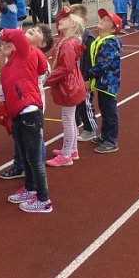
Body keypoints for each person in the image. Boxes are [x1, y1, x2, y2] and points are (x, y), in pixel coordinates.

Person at [0, 26, 52, 213]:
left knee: (34, 158)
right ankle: (30, 188)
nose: (30, 30)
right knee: (25, 154)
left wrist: (3, 33)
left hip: (29, 110)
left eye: (35, 31)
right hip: (18, 112)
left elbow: (17, 35)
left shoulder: (28, 51)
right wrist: (7, 54)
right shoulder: (15, 58)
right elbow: (7, 80)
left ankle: (44, 199)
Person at [47, 14, 86, 167]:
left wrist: (47, 79)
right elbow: (59, 21)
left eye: (65, 20)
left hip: (68, 86)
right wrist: (64, 13)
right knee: (69, 118)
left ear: (73, 26)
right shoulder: (67, 40)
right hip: (71, 84)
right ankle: (72, 150)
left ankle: (66, 155)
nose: (61, 21)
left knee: (68, 120)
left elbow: (66, 67)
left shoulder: (69, 43)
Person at [88, 9, 123, 153]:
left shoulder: (110, 43)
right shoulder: (100, 40)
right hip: (102, 82)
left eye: (107, 20)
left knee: (109, 111)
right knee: (104, 109)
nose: (102, 20)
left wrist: (88, 74)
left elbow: (103, 64)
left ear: (113, 28)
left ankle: (111, 140)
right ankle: (105, 135)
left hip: (108, 82)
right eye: (102, 18)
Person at [68, 4, 100, 142]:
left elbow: (90, 61)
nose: (73, 22)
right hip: (73, 77)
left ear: (84, 20)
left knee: (85, 103)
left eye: (76, 19)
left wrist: (87, 79)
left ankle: (90, 129)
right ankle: (76, 123)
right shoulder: (71, 36)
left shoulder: (88, 38)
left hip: (84, 77)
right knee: (74, 103)